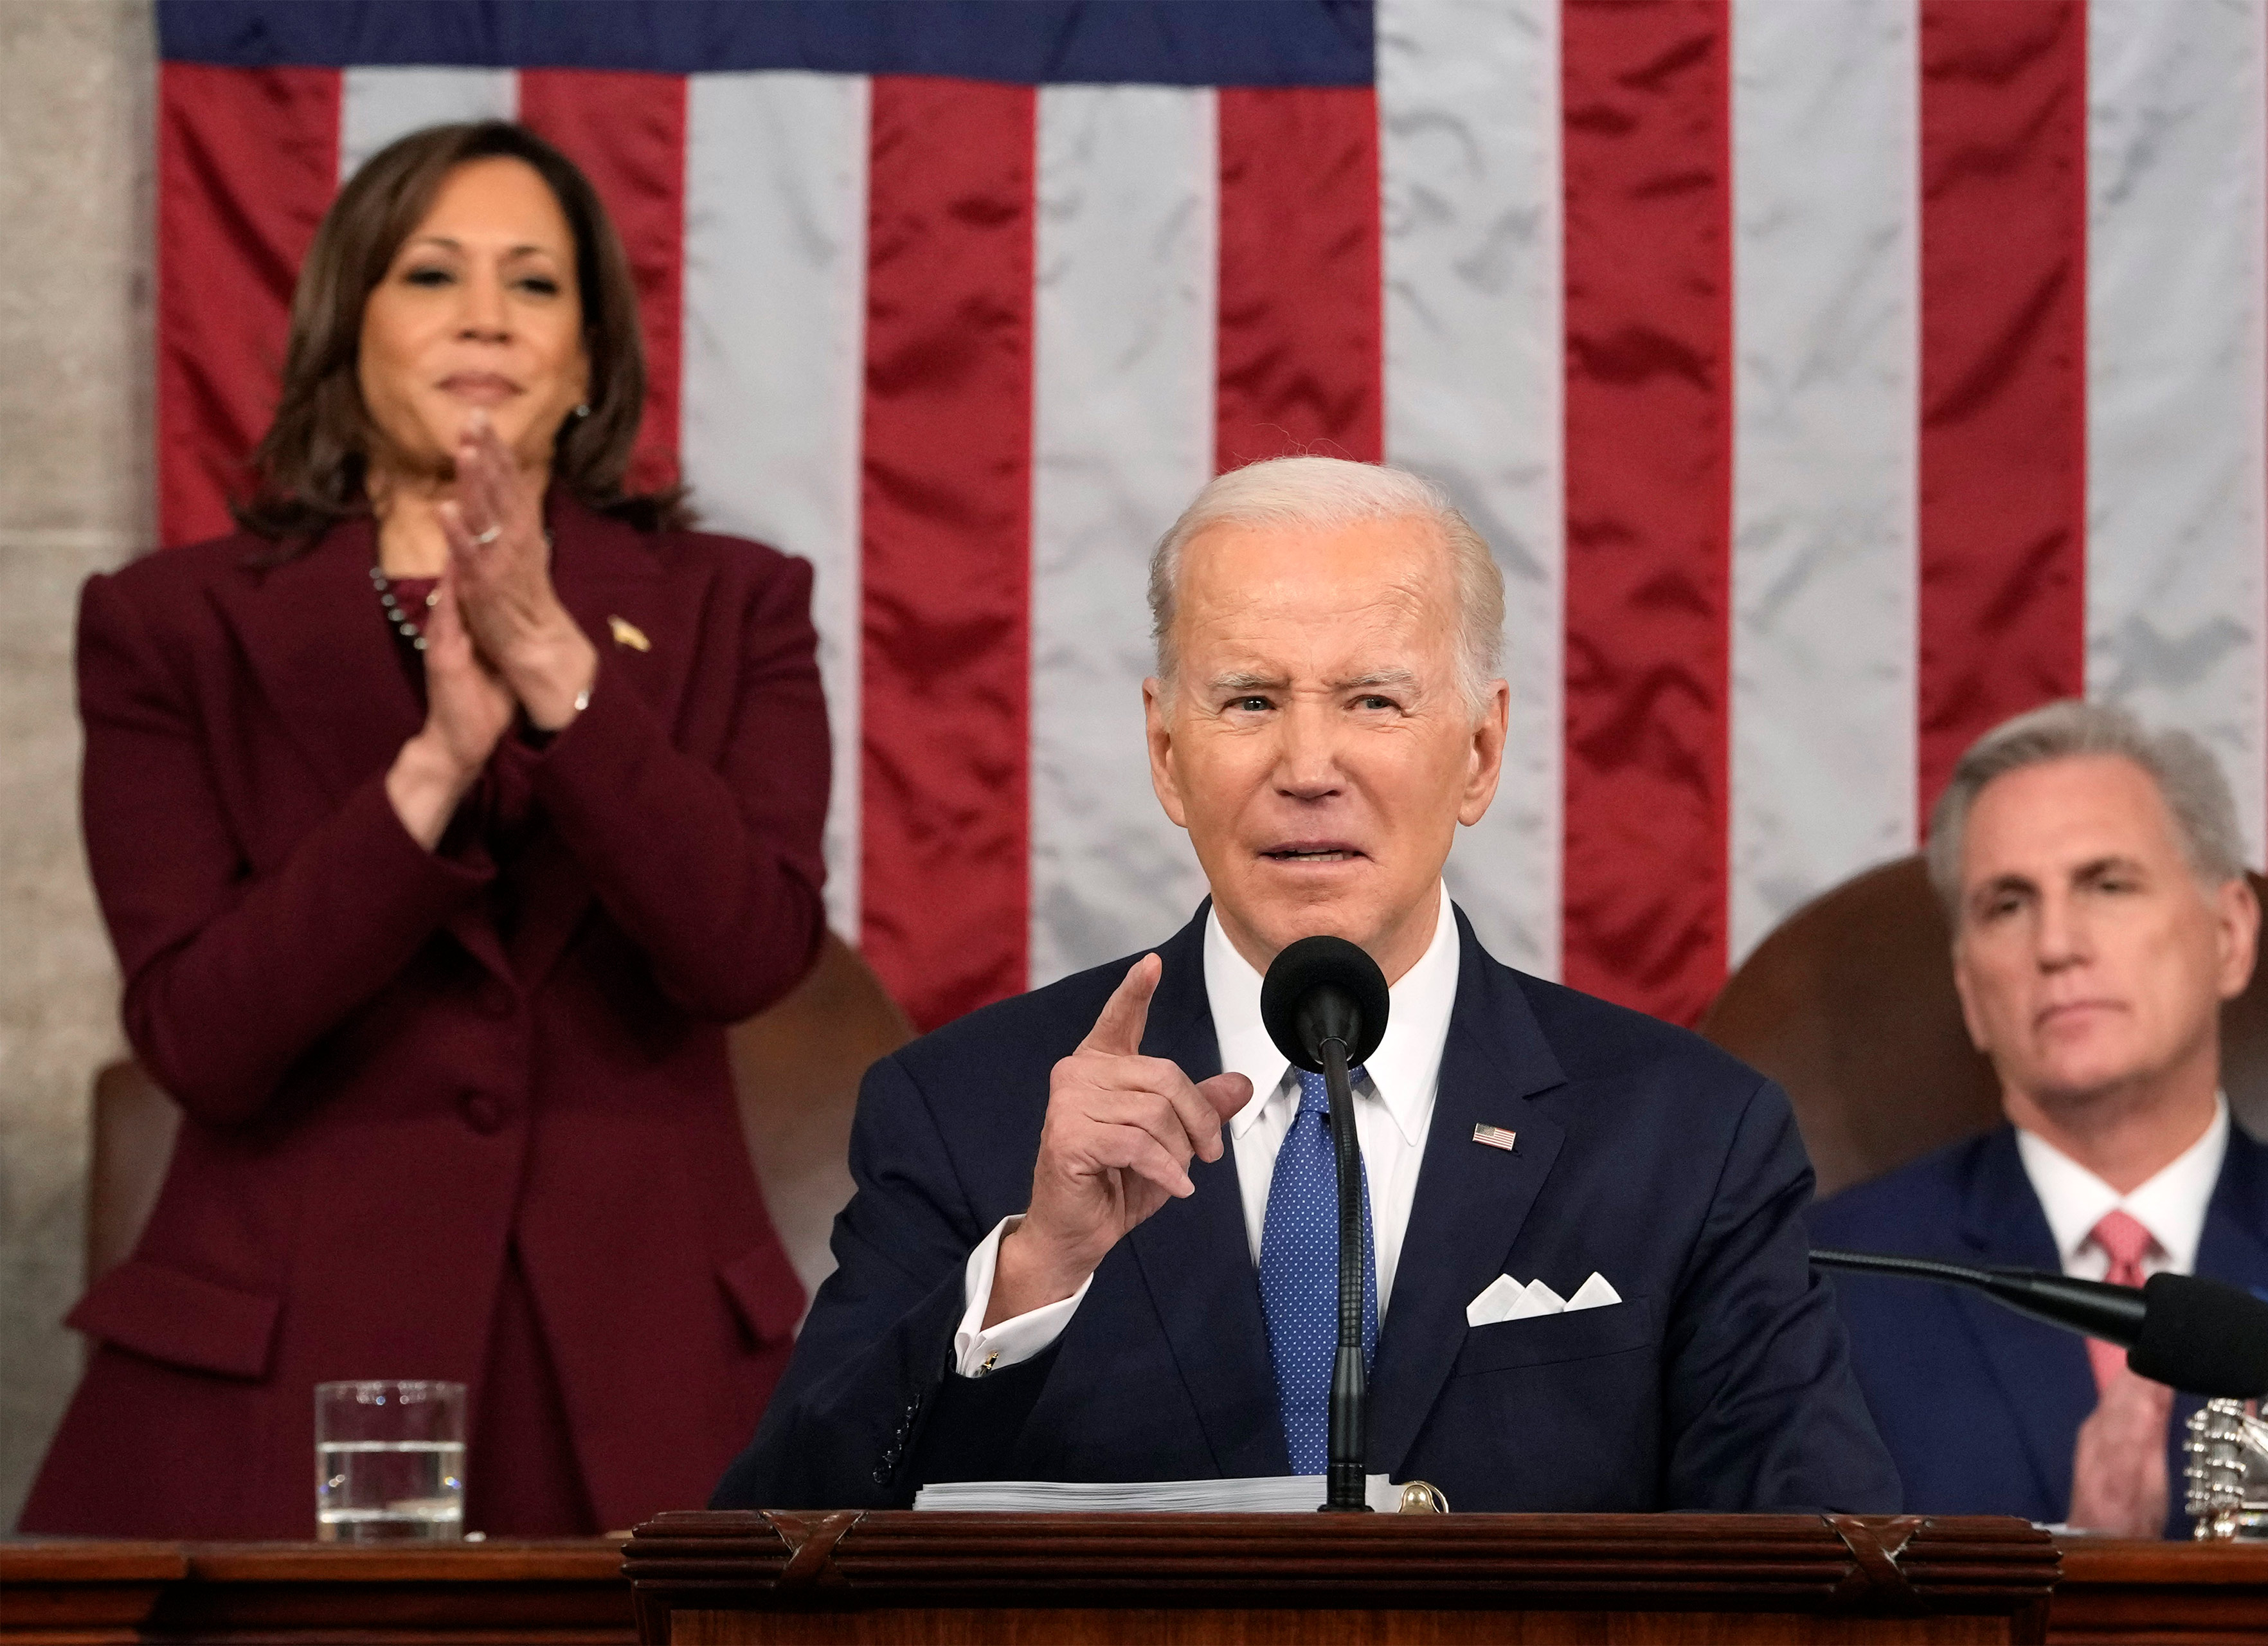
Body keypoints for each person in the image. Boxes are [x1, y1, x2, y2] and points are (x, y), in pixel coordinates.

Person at [715, 457, 1898, 1513]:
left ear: (1480, 754)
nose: (1308, 767)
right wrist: (1029, 1275)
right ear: (1169, 755)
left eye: (1374, 701)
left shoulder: (1687, 1137)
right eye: (1250, 702)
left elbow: (1823, 1565)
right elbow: (778, 1550)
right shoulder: (967, 1111)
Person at [22, 122, 831, 1538]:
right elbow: (202, 1035)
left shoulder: (735, 603)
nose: (483, 316)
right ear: (349, 331)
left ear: (587, 359)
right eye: (430, 274)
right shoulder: (169, 626)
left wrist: (560, 677)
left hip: (647, 1370)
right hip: (283, 1374)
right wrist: (434, 766)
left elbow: (746, 949)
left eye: (534, 285)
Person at [1811, 701, 2268, 1537]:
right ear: (1970, 993)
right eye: (2007, 905)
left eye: (2108, 884)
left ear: (2229, 935)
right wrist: (2082, 1572)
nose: (2056, 944)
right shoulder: (1829, 1291)